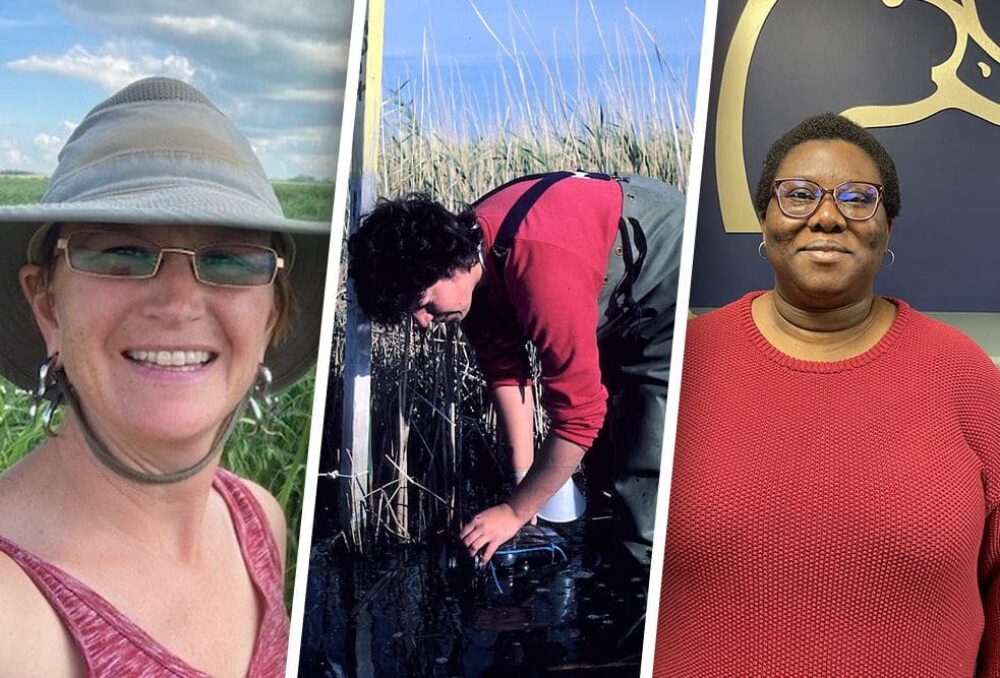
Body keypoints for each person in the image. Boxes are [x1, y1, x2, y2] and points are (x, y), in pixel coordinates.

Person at [0, 77, 329, 676]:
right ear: (47, 304)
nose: (178, 304)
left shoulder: (256, 518)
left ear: (270, 316)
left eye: (229, 259)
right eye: (119, 253)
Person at [655, 113, 1000, 675]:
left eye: (858, 198)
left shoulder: (962, 374)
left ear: (887, 225)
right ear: (763, 218)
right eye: (799, 195)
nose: (827, 217)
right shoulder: (683, 362)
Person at [347, 171, 684, 565]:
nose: (422, 321)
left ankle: (645, 587)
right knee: (597, 460)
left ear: (449, 266)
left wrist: (514, 512)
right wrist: (522, 481)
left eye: (423, 303)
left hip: (666, 262)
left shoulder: (541, 270)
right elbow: (506, 373)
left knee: (644, 447)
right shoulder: (469, 267)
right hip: (599, 266)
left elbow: (580, 417)